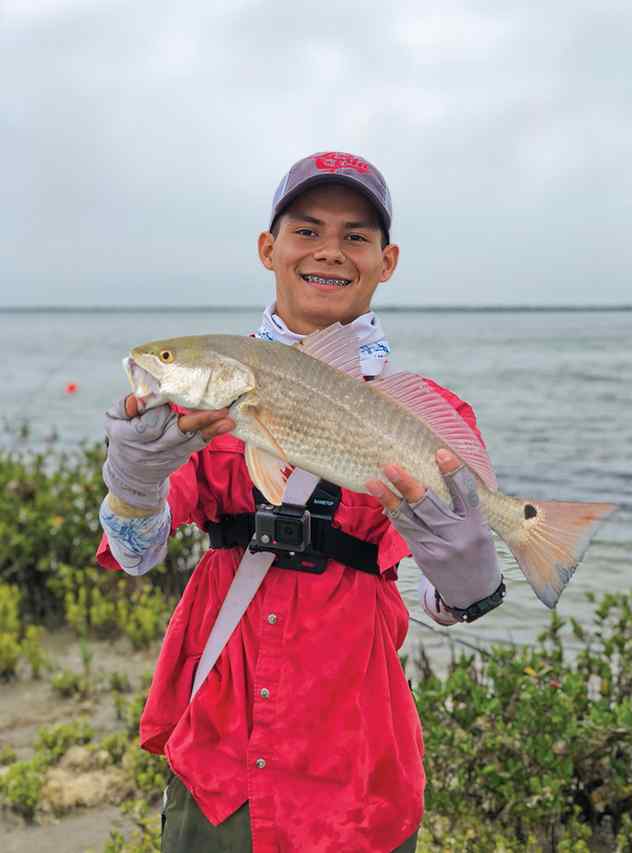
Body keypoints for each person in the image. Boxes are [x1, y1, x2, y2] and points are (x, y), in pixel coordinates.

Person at [97, 151, 504, 853]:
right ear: (269, 248)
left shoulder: (430, 414)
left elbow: (447, 605)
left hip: (358, 774)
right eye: (307, 230)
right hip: (219, 763)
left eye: (355, 236)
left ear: (387, 259)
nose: (329, 252)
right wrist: (133, 484)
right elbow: (138, 556)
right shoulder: (205, 412)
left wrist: (472, 568)